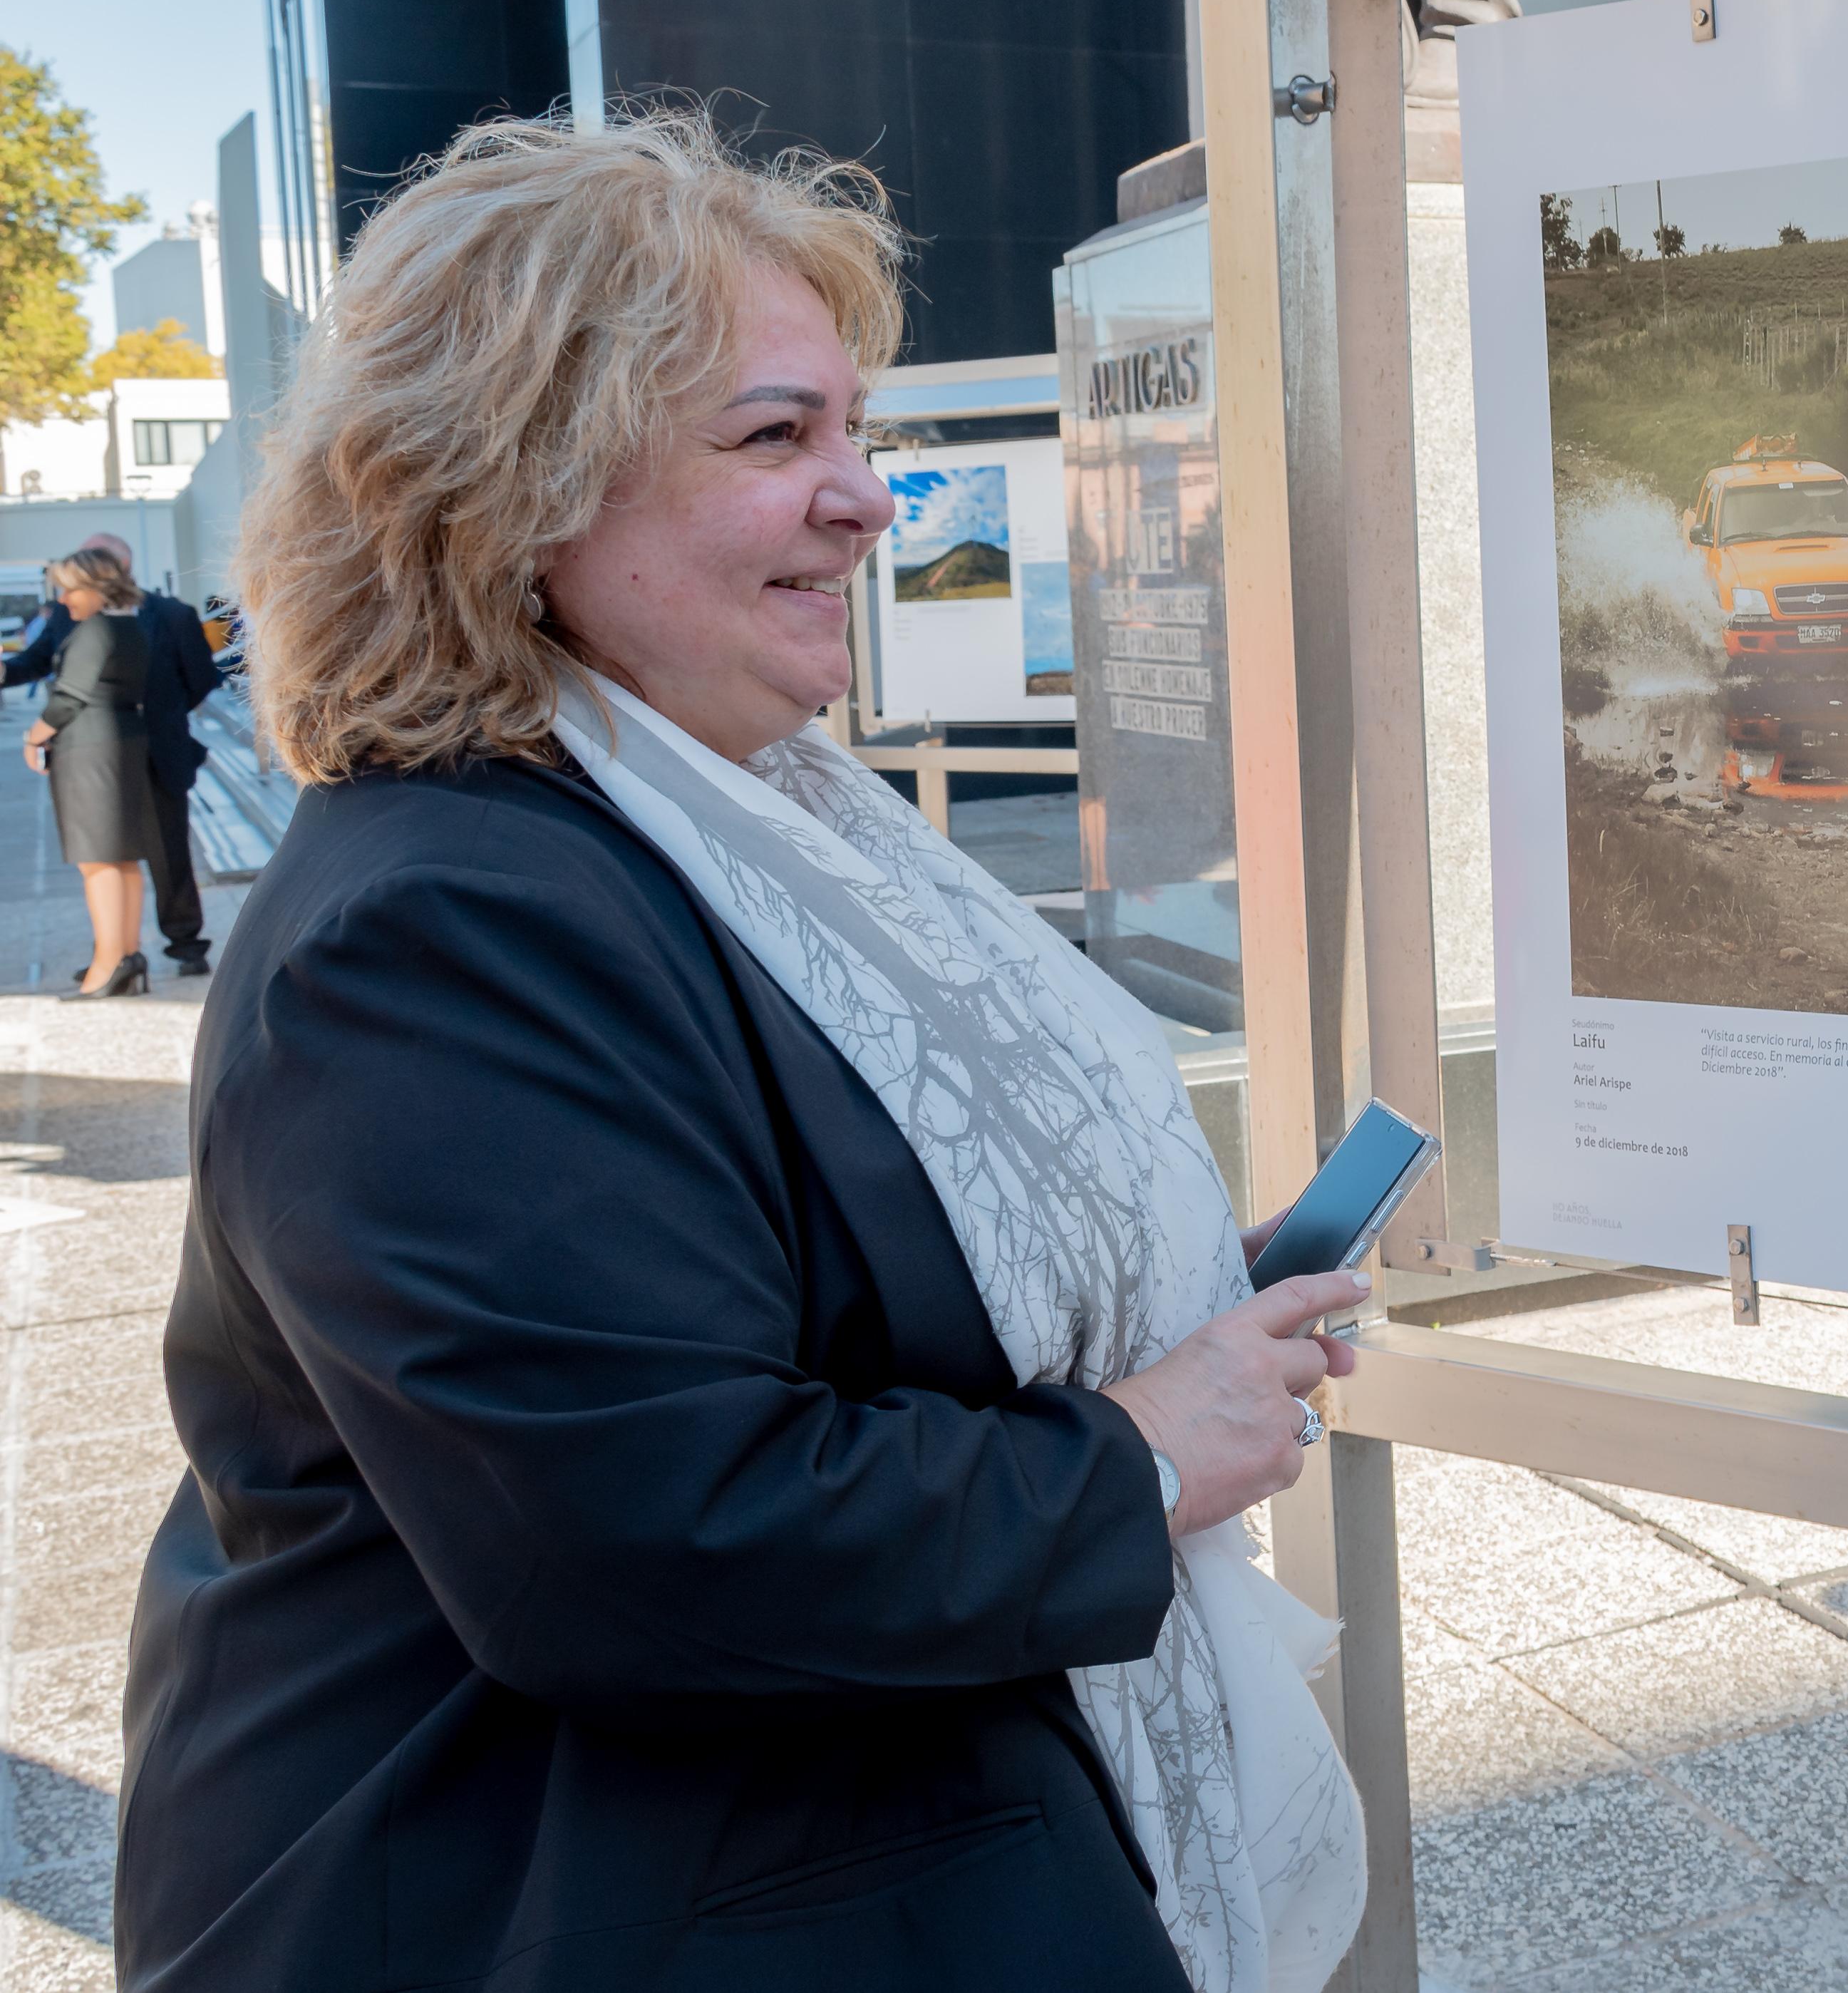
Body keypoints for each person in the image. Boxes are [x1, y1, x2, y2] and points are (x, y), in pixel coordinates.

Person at [122, 110, 1370, 1992]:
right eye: (775, 436)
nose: (867, 496)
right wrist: (1123, 1456)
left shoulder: (726, 823)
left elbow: (821, 1262)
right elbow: (637, 1533)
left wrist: (1162, 1304)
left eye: (854, 430)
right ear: (508, 486)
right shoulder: (444, 923)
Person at [21, 530, 223, 972]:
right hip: (102, 757)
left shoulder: (172, 614)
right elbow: (35, 662)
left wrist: (164, 716)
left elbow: (202, 678)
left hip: (160, 753)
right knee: (111, 855)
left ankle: (185, 945)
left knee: (169, 853)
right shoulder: (68, 615)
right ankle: (115, 953)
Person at [21, 547, 160, 998]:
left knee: (97, 860)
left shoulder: (96, 629)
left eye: (70, 588)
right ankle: (128, 957)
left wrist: (33, 737)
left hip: (90, 750)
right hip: (121, 742)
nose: (63, 599)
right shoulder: (128, 625)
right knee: (121, 857)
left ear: (96, 587)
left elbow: (69, 697)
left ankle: (108, 964)